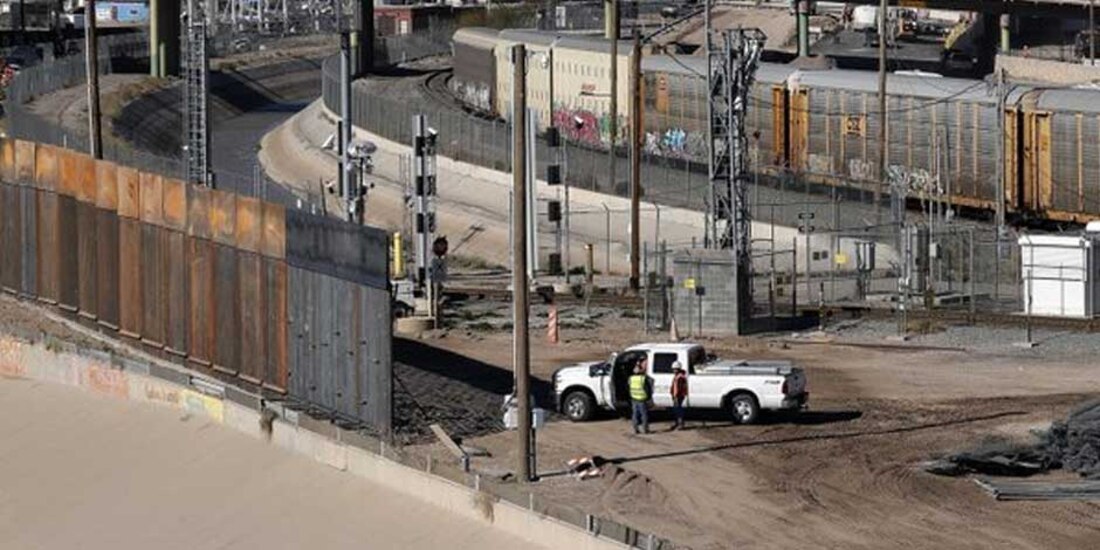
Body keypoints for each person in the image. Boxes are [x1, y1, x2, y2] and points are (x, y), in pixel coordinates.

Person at [628, 359, 652, 435]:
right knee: (643, 415)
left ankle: (635, 429)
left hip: (634, 398)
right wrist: (649, 397)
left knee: (635, 414)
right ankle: (645, 429)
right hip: (642, 399)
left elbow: (628, 388)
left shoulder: (631, 379)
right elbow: (647, 389)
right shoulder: (643, 379)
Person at [670, 361, 688, 431]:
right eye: (673, 369)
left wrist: (676, 396)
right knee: (676, 410)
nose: (674, 370)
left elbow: (679, 388)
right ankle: (677, 423)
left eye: (675, 369)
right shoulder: (677, 376)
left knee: (678, 410)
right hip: (676, 395)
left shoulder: (680, 377)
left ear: (678, 369)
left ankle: (680, 424)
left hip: (678, 396)